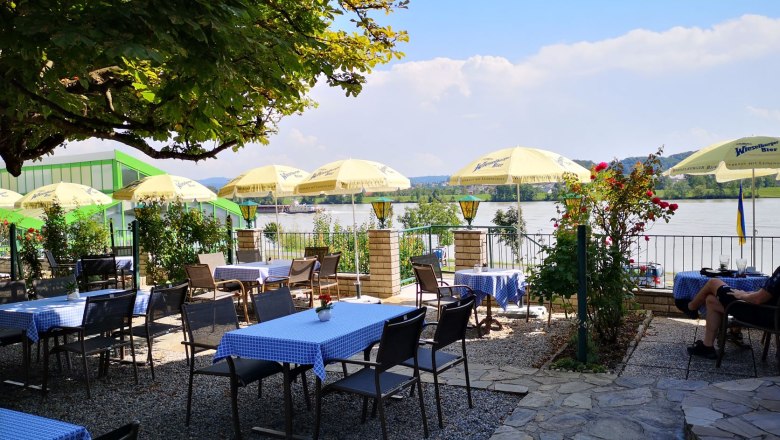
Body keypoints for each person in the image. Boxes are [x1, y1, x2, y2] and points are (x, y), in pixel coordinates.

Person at [685, 265, 780, 359]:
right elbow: (767, 295)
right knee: (711, 300)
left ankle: (691, 307)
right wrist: (747, 293)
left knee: (713, 282)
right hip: (771, 314)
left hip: (761, 314)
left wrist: (741, 295)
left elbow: (758, 299)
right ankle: (707, 347)